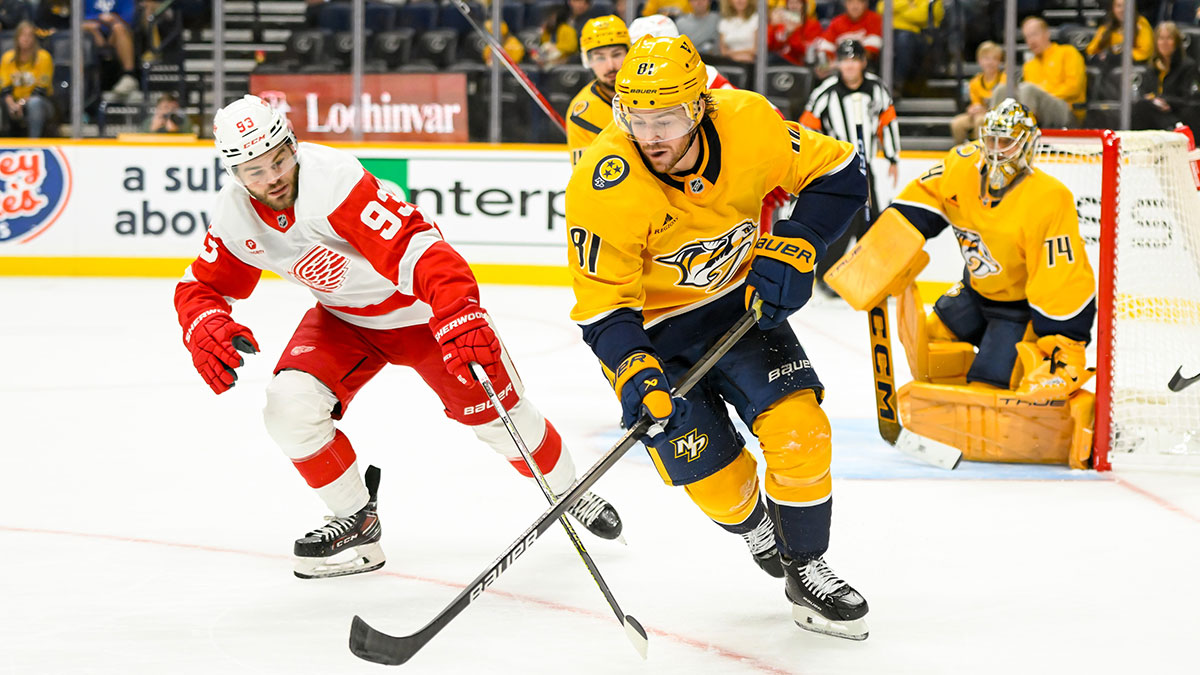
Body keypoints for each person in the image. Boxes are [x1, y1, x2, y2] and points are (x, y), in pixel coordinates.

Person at [174, 95, 624, 579]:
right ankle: (356, 523)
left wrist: (458, 313)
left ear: (292, 144)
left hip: (419, 313)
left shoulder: (335, 184)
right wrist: (204, 323)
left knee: (500, 417)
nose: (272, 177)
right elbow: (202, 286)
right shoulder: (234, 214)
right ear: (235, 175)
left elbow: (420, 250)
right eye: (255, 171)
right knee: (288, 408)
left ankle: (568, 490)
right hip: (344, 319)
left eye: (279, 159)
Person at [566, 35, 870, 640]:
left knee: (800, 430)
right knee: (721, 488)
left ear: (701, 106)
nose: (651, 135)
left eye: (668, 117)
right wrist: (634, 370)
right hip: (651, 334)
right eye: (637, 117)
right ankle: (757, 523)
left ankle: (806, 565)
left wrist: (800, 240)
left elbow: (842, 171)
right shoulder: (603, 186)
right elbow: (603, 307)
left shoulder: (749, 122)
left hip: (738, 307)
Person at [826, 99, 1098, 467]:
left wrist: (1063, 345)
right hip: (974, 293)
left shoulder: (1050, 199)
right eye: (992, 140)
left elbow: (1062, 279)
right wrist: (878, 256)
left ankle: (990, 412)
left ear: (1028, 145)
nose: (997, 151)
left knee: (986, 383)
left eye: (1008, 142)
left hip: (1014, 312)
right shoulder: (962, 165)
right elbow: (917, 206)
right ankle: (941, 417)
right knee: (927, 345)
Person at [800, 38, 899, 293]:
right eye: (845, 60)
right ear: (838, 63)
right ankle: (827, 274)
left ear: (863, 62)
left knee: (870, 220)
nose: (850, 66)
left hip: (865, 166)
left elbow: (887, 121)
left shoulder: (877, 88)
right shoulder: (826, 91)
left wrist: (892, 157)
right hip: (838, 166)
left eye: (855, 60)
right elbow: (807, 127)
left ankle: (868, 274)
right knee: (844, 219)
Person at [566, 15, 631, 166]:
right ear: (587, 61)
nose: (611, 65)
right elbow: (586, 175)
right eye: (600, 58)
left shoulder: (651, 93)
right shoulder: (582, 113)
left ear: (629, 53)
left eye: (617, 54)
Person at [1016, 16, 1086, 128]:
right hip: (1039, 112)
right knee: (1002, 90)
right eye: (1027, 37)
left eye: (1034, 34)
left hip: (1066, 110)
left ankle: (1024, 132)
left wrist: (1042, 95)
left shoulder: (1067, 52)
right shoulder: (1029, 65)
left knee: (1028, 89)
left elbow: (1074, 88)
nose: (1031, 41)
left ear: (1047, 33)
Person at [1132, 22, 1200, 130]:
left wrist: (1166, 101)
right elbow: (1145, 95)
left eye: (1169, 38)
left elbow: (1190, 100)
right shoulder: (1151, 68)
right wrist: (1154, 101)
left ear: (1176, 42)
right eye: (1161, 38)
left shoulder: (1188, 67)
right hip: (1153, 112)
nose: (1165, 43)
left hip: (1177, 114)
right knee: (1140, 107)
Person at [0, 20, 54, 138]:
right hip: (13, 101)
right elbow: (4, 88)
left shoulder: (43, 57)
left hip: (42, 103)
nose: (26, 39)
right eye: (23, 35)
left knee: (35, 103)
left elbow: (41, 89)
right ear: (17, 38)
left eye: (29, 35)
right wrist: (12, 105)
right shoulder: (7, 58)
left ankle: (34, 141)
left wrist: (21, 103)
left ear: (34, 38)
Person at [880, 0, 943, 95]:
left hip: (921, 36)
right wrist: (908, 3)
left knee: (904, 38)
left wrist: (897, 12)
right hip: (891, 33)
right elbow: (881, 8)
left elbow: (923, 16)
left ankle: (897, 84)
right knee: (881, 41)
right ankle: (881, 86)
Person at [949, 41, 1006, 144]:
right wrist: (972, 109)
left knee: (981, 120)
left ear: (999, 62)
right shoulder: (974, 82)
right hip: (980, 114)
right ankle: (962, 153)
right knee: (957, 123)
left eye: (994, 59)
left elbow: (1003, 106)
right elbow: (976, 102)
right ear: (979, 60)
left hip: (998, 117)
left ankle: (980, 151)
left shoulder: (1004, 79)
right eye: (986, 58)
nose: (990, 62)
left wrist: (984, 110)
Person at [815, 0, 883, 67]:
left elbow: (870, 53)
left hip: (866, 68)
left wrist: (849, 64)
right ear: (845, 4)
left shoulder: (875, 19)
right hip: (840, 68)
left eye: (860, 2)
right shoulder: (836, 22)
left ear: (866, 4)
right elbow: (825, 50)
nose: (855, 6)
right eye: (851, 2)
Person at [1086, 0, 1154, 66]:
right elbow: (1090, 50)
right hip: (1110, 68)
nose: (1122, 10)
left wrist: (1120, 53)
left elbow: (1145, 53)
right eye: (1119, 6)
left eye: (1126, 6)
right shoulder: (1107, 27)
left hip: (1134, 67)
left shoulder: (1141, 24)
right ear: (1113, 9)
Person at [767, 0, 823, 66]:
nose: (793, 6)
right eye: (791, 3)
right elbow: (769, 47)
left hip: (800, 63)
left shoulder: (813, 25)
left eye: (797, 3)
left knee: (770, 59)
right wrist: (772, 25)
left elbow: (804, 52)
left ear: (804, 5)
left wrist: (793, 32)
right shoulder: (781, 24)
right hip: (779, 60)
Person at [536, 2, 580, 66]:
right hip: (548, 58)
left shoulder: (567, 29)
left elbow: (571, 47)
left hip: (566, 60)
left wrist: (555, 47)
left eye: (551, 18)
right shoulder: (547, 30)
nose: (548, 20)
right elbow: (544, 44)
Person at [718, 0, 758, 64]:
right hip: (729, 63)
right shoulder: (724, 22)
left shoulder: (756, 19)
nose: (740, 1)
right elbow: (723, 51)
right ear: (729, 1)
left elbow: (756, 49)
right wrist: (736, 56)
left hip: (751, 63)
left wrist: (732, 54)